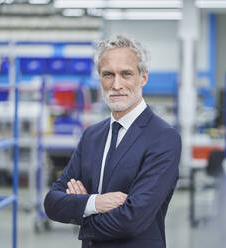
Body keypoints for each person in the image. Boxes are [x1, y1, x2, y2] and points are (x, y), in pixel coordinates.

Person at [44, 35, 181, 248]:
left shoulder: (163, 138)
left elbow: (132, 220)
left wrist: (81, 210)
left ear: (143, 77)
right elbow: (52, 202)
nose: (116, 84)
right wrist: (96, 203)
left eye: (126, 74)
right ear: (100, 78)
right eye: (108, 74)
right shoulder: (92, 136)